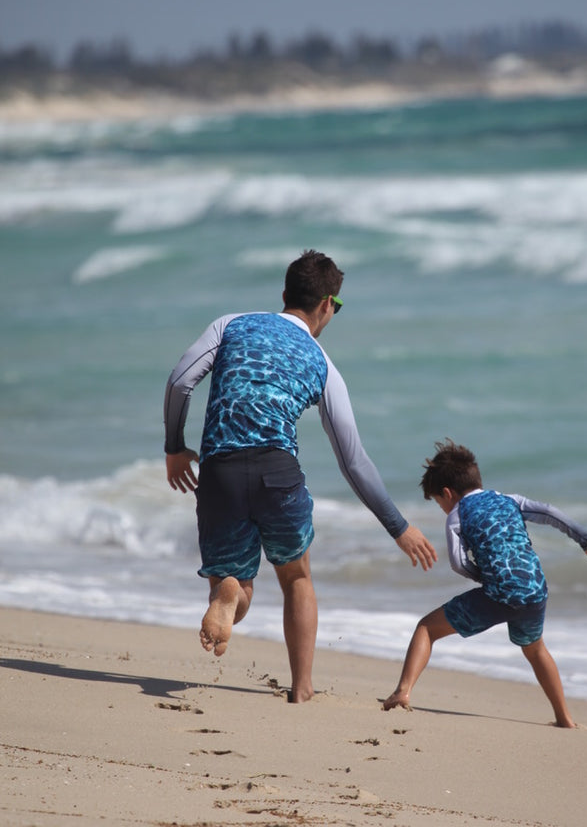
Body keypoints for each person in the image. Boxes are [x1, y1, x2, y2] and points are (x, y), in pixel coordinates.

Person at [164, 250, 437, 702]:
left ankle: (230, 590)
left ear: (285, 294)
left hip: (221, 472)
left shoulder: (231, 324)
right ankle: (302, 688)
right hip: (278, 474)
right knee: (296, 577)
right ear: (328, 304)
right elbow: (353, 460)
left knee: (235, 582)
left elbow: (179, 382)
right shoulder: (322, 363)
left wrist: (175, 447)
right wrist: (398, 525)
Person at [382, 441, 587, 726]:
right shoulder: (510, 500)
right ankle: (565, 718)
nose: (442, 508)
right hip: (535, 591)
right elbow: (549, 513)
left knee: (426, 628)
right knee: (535, 650)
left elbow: (458, 563)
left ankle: (403, 692)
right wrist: (586, 540)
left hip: (499, 593)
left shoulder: (456, 516)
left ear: (447, 494)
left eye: (439, 502)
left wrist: (484, 576)